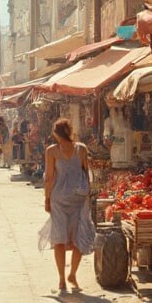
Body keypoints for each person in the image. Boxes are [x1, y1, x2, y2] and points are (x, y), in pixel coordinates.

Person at [42, 118, 96, 292]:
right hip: (79, 199)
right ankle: (72, 273)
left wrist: (47, 199)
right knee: (78, 236)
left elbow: (49, 178)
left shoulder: (51, 151)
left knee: (59, 238)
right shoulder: (81, 149)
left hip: (58, 199)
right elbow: (85, 173)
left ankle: (61, 280)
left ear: (56, 133)